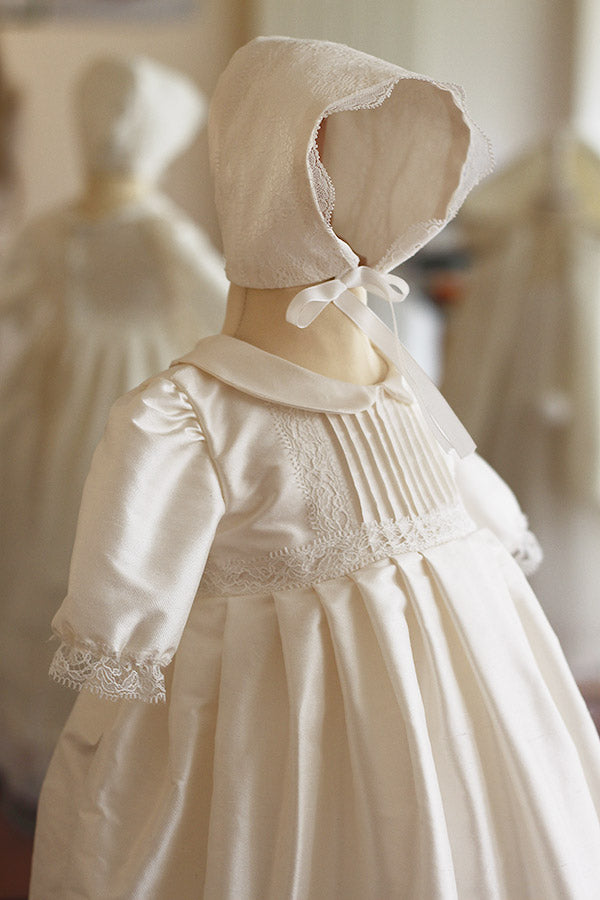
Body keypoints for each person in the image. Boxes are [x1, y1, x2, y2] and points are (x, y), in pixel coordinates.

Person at [31, 37, 600, 899]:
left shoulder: (395, 372)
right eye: (326, 166)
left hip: (466, 701)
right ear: (271, 176)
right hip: (281, 743)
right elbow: (124, 626)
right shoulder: (186, 418)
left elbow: (465, 491)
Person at [0, 54, 227, 811]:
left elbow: (12, 304)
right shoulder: (165, 232)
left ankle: (56, 749)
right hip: (135, 416)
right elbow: (225, 311)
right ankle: (87, 759)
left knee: (55, 560)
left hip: (54, 412)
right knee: (107, 555)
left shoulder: (54, 229)